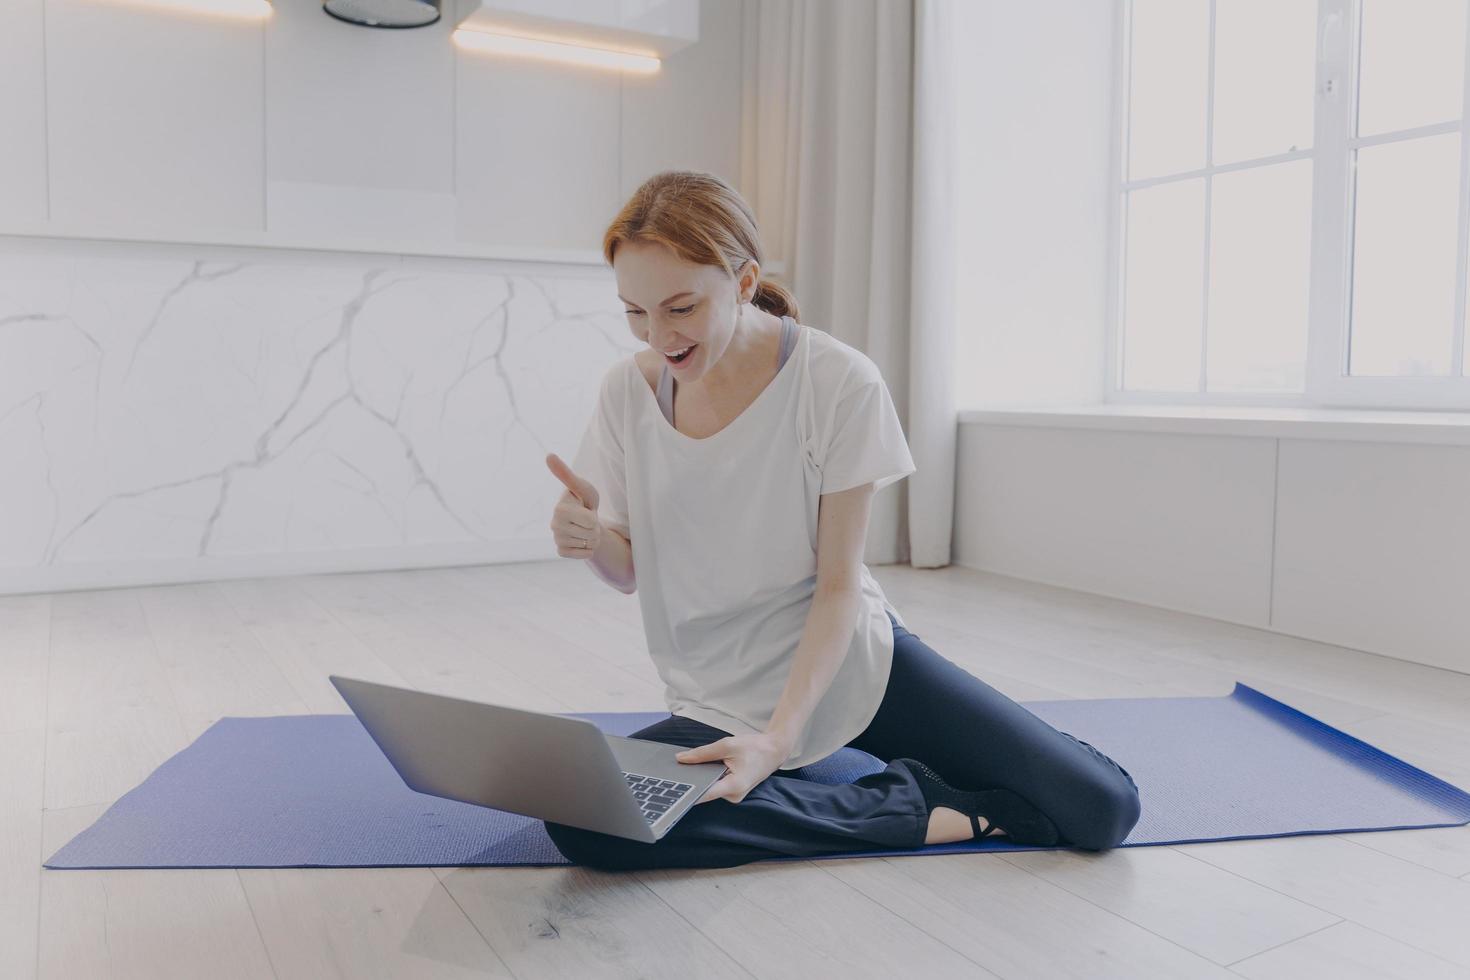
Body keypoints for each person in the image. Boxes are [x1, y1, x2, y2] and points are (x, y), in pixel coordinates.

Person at [541, 170, 1141, 871]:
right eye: (636, 313)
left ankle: (905, 774)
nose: (659, 336)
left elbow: (838, 588)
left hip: (853, 669)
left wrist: (777, 740)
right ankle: (919, 809)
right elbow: (628, 573)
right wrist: (590, 542)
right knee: (587, 821)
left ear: (743, 280)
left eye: (679, 308)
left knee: (1101, 806)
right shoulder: (628, 391)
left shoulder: (837, 381)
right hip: (720, 695)